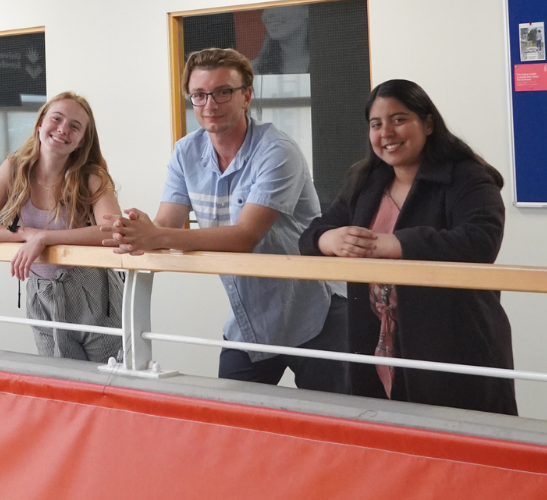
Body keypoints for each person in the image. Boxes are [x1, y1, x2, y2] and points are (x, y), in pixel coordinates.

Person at [102, 48, 349, 394]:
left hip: (314, 312)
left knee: (335, 426)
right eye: (199, 95)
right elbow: (167, 226)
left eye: (222, 92)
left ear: (246, 96)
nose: (210, 104)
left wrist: (154, 235)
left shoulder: (277, 151)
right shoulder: (185, 151)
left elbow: (245, 237)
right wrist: (135, 229)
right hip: (250, 319)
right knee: (231, 421)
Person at [298, 79, 518, 415]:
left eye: (399, 119)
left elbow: (481, 241)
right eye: (376, 124)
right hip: (377, 345)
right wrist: (327, 239)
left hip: (453, 346)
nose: (386, 132)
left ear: (428, 123)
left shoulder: (467, 177)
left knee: (457, 450)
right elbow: (313, 233)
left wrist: (396, 243)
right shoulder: (366, 181)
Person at [0, 91, 123, 363]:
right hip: (41, 293)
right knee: (60, 388)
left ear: (81, 141)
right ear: (40, 123)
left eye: (75, 126)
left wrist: (46, 238)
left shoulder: (91, 176)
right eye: (57, 119)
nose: (63, 129)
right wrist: (28, 235)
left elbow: (112, 231)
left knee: (108, 386)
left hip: (94, 294)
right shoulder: (14, 169)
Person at [251, 4, 310, 75]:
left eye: (281, 4)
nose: (269, 14)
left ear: (307, 10)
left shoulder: (325, 62)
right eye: (266, 6)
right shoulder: (253, 70)